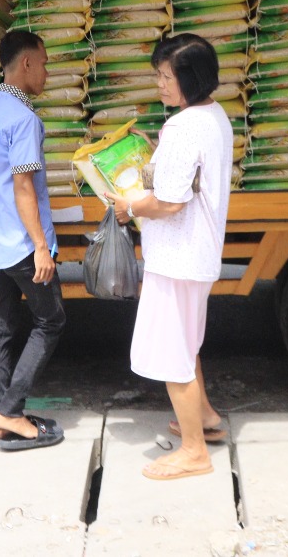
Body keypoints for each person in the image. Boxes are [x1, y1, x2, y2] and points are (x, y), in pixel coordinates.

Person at [106, 34, 234, 481]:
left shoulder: (182, 128)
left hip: (177, 256)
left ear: (189, 78)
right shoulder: (214, 116)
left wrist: (130, 206)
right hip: (197, 253)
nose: (159, 83)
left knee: (171, 351)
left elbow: (170, 202)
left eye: (165, 76)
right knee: (186, 343)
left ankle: (194, 451)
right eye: (158, 75)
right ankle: (206, 419)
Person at [0, 29, 66, 452]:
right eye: (44, 63)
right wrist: (41, 246)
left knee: (2, 324)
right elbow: (23, 186)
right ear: (25, 63)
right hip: (23, 244)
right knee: (51, 320)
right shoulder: (23, 119)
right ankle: (10, 411)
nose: (46, 72)